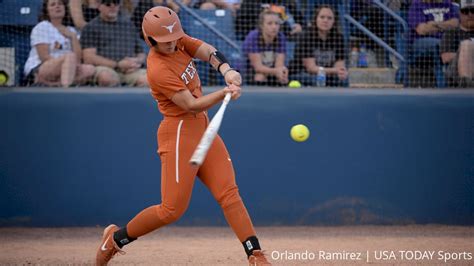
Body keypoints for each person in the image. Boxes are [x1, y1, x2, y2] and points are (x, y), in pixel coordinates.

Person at [95, 6, 272, 266]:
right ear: (150, 39)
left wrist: (227, 70)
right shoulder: (157, 68)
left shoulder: (177, 40)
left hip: (202, 127)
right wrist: (223, 93)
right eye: (164, 42)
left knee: (229, 193)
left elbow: (206, 50)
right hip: (178, 132)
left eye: (174, 37)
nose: (171, 44)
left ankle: (255, 255)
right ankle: (115, 239)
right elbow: (190, 104)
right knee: (171, 210)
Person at [23, 0, 96, 87]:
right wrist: (65, 65)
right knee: (70, 56)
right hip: (40, 67)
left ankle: (54, 84)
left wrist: (72, 37)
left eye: (60, 4)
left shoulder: (72, 30)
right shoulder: (43, 26)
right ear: (47, 11)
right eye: (53, 5)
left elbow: (78, 60)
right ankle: (64, 92)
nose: (57, 6)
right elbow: (44, 57)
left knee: (90, 69)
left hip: (67, 68)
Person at [80, 0, 148, 87]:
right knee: (106, 78)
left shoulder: (129, 25)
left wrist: (135, 62)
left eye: (116, 3)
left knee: (150, 80)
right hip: (106, 68)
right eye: (108, 4)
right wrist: (118, 65)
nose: (112, 6)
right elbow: (89, 58)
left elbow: (141, 53)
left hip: (130, 69)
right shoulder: (91, 27)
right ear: (99, 6)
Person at [289, 5, 348, 87]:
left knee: (343, 80)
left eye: (329, 18)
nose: (325, 20)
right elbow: (311, 68)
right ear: (316, 19)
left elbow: (339, 65)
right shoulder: (306, 36)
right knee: (315, 79)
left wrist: (341, 72)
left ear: (334, 21)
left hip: (327, 74)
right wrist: (335, 70)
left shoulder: (338, 38)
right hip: (303, 74)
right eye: (322, 17)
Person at [241, 10, 288, 86]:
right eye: (270, 23)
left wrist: (281, 72)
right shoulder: (253, 36)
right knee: (260, 76)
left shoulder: (281, 37)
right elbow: (258, 67)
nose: (274, 27)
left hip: (271, 70)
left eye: (276, 23)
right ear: (262, 25)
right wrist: (277, 71)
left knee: (282, 78)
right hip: (249, 71)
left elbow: (279, 64)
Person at [440, 0, 474, 88]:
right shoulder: (451, 32)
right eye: (465, 11)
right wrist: (466, 55)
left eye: (473, 11)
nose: (470, 14)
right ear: (460, 13)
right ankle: (466, 86)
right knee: (467, 45)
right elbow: (445, 57)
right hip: (456, 71)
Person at [235, 0, 304, 41]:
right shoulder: (250, 2)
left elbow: (301, 20)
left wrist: (300, 26)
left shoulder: (288, 1)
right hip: (257, 40)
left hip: (285, 39)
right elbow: (240, 23)